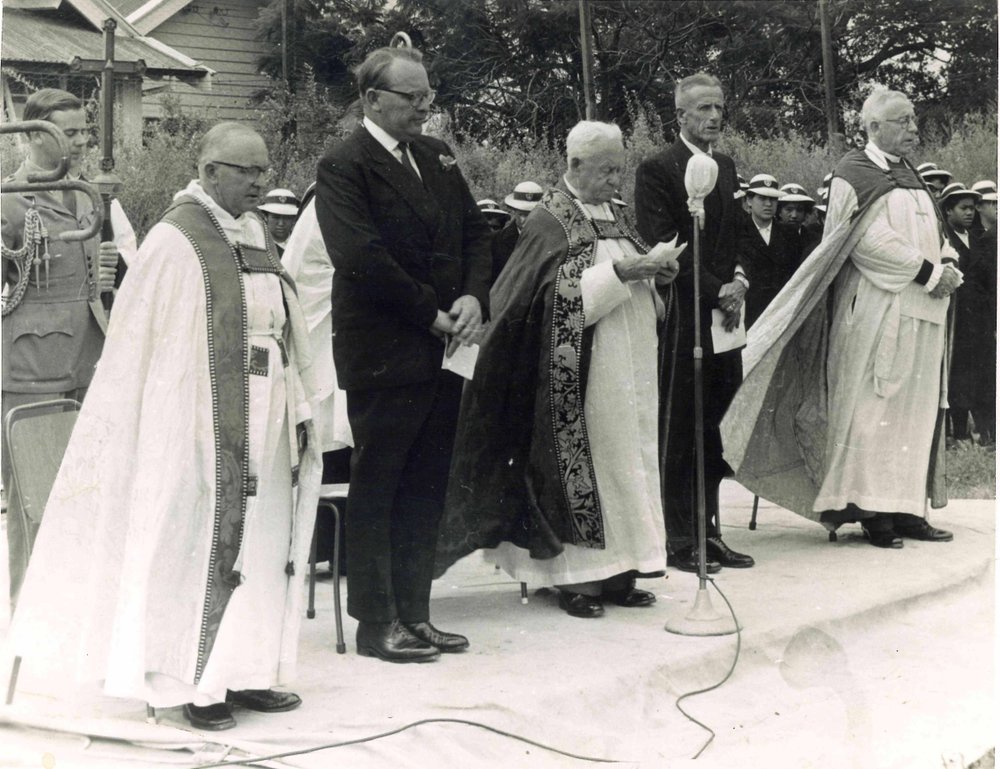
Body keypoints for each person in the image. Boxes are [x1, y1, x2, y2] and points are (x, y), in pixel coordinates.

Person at [6, 122, 323, 731]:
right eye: (248, 171)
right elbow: (148, 349)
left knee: (260, 540)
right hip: (198, 423)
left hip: (268, 409)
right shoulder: (176, 240)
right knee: (194, 544)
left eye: (264, 170)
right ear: (209, 173)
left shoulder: (254, 229)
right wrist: (183, 428)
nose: (261, 182)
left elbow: (284, 316)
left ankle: (247, 669)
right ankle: (188, 682)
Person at [435, 121, 681, 618]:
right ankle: (572, 578)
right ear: (574, 165)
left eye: (620, 167)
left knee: (624, 464)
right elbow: (550, 303)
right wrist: (621, 273)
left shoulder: (617, 216)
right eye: (608, 169)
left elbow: (637, 284)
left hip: (629, 367)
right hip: (578, 377)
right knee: (586, 467)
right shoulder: (551, 221)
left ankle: (619, 571)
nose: (618, 179)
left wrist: (658, 278)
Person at [721, 88, 960, 549]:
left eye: (914, 120)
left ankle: (906, 507)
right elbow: (866, 242)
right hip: (877, 311)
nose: (914, 128)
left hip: (925, 310)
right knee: (872, 410)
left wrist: (948, 262)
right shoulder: (854, 174)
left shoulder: (912, 175)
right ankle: (871, 511)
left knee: (914, 409)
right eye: (904, 121)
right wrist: (931, 272)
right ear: (874, 127)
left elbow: (938, 231)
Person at [315, 46, 491, 663]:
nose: (424, 107)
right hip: (386, 352)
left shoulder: (437, 157)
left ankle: (415, 614)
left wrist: (472, 296)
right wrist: (433, 312)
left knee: (426, 485)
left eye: (427, 96)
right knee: (380, 483)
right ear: (372, 99)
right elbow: (360, 259)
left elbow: (476, 231)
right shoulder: (344, 164)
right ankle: (376, 622)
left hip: (447, 347)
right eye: (412, 98)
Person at [2, 87, 135, 606]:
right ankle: (31, 621)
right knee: (34, 497)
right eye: (69, 133)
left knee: (89, 494)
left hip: (90, 360)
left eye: (83, 131)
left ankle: (79, 614)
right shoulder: (8, 199)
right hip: (32, 365)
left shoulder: (83, 193)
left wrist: (109, 273)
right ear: (34, 135)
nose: (80, 142)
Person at [634, 72, 755, 573]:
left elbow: (738, 233)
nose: (713, 118)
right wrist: (714, 290)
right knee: (683, 425)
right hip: (685, 316)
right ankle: (679, 537)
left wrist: (741, 280)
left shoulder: (725, 166)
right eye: (703, 109)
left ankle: (710, 531)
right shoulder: (657, 169)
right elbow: (663, 246)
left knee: (717, 424)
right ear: (680, 115)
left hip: (727, 317)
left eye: (719, 109)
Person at [940, 182, 984, 444]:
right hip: (954, 319)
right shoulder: (945, 240)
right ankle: (955, 434)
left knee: (972, 374)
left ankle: (970, 430)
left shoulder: (977, 238)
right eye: (963, 208)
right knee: (956, 376)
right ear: (948, 211)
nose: (969, 213)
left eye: (972, 208)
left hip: (976, 319)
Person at [739, 174, 801, 328]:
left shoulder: (789, 233)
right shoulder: (737, 231)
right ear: (749, 200)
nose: (768, 204)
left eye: (773, 199)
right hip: (747, 312)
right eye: (762, 198)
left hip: (780, 311)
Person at [489, 180, 544, 282]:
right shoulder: (495, 241)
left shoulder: (548, 242)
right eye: (522, 214)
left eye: (532, 214)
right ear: (514, 211)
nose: (527, 220)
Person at [258, 187, 301, 253]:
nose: (281, 223)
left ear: (294, 219)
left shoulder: (301, 243)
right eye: (276, 217)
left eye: (287, 217)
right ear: (266, 217)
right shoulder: (258, 244)